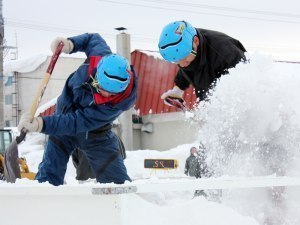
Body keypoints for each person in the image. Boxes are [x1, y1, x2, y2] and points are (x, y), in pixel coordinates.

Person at [17, 33, 138, 186]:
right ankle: (43, 206)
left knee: (117, 184)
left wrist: (41, 124)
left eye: (112, 93)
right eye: (102, 88)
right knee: (48, 179)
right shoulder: (100, 56)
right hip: (63, 122)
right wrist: (70, 44)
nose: (106, 94)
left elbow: (76, 122)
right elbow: (92, 39)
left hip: (95, 133)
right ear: (98, 73)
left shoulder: (119, 103)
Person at [158, 20, 246, 103]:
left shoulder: (226, 52)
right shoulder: (187, 50)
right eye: (177, 61)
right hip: (209, 100)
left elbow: (242, 86)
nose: (182, 64)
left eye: (185, 59)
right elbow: (187, 69)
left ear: (196, 41)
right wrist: (177, 90)